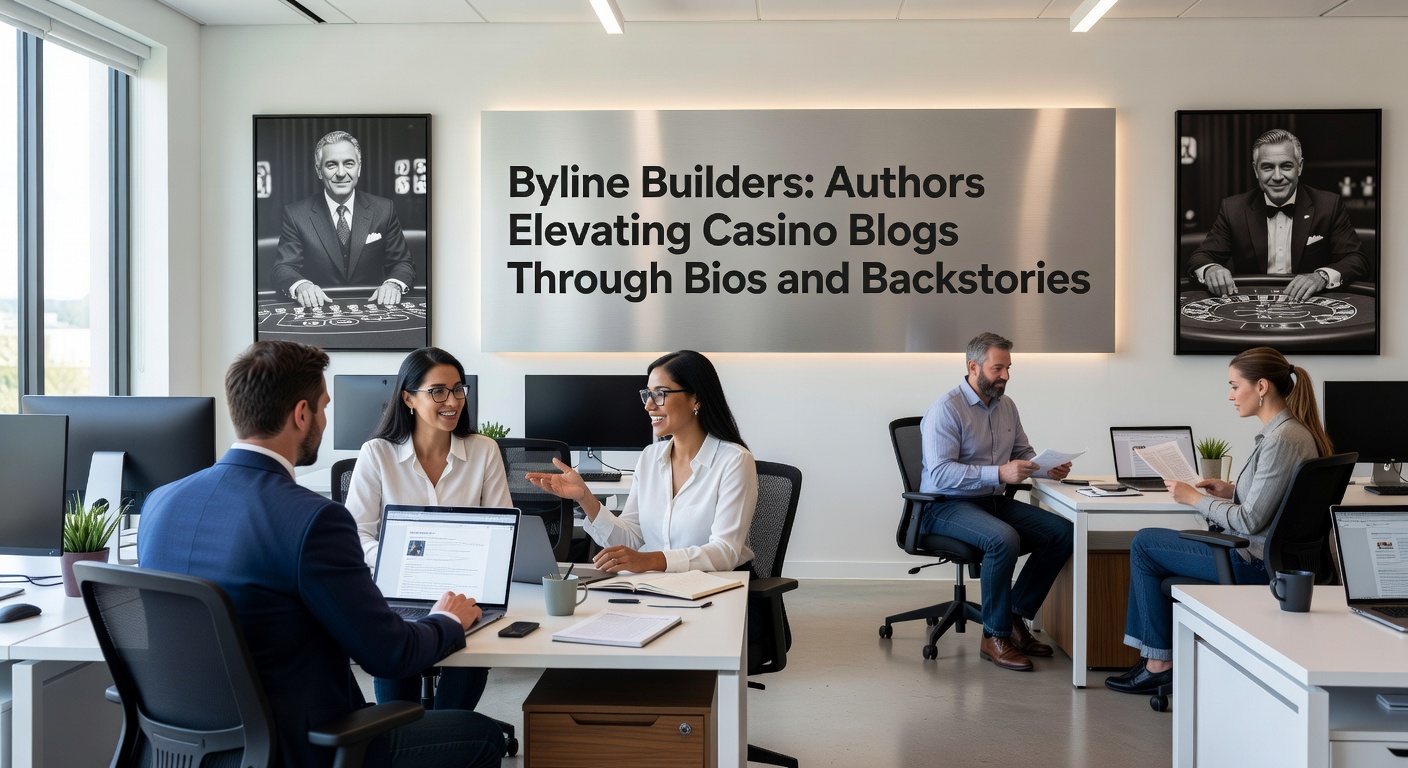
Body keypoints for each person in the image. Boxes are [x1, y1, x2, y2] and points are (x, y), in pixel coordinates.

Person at [137, 341, 503, 768]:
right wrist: (447, 619)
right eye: (324, 407)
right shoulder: (314, 520)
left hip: (189, 744)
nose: (327, 420)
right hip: (303, 743)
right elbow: (389, 653)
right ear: (301, 414)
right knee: (481, 735)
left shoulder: (159, 504)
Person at [1106, 346, 1332, 696]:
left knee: (1145, 543)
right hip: (1268, 558)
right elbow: (1270, 501)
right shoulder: (1290, 433)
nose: (1229, 396)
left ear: (1261, 387)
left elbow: (1251, 519)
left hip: (1253, 563)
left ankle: (1158, 664)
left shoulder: (1282, 439)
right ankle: (1156, 661)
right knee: (1154, 554)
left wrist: (1196, 498)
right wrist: (1229, 490)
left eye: (1233, 385)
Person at [344, 346, 511, 712]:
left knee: (469, 649)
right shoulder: (377, 454)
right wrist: (401, 561)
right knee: (396, 708)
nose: (452, 400)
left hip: (466, 590)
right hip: (397, 591)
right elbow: (355, 536)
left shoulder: (484, 451)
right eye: (438, 391)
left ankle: (450, 733)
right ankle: (400, 737)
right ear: (408, 398)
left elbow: (500, 528)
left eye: (458, 389)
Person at [919, 331, 1074, 672]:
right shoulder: (945, 410)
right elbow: (942, 475)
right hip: (944, 505)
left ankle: (1015, 617)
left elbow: (1022, 452)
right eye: (997, 368)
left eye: (1008, 368)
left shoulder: (1007, 407)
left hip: (990, 501)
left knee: (1063, 532)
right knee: (1003, 539)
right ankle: (994, 636)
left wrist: (1047, 468)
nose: (1005, 376)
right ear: (973, 367)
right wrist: (998, 474)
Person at [524, 350, 757, 575]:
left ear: (695, 398)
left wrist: (650, 560)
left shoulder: (734, 461)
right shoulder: (650, 457)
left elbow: (725, 552)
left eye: (660, 394)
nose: (648, 405)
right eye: (647, 394)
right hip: (654, 587)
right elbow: (631, 539)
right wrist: (584, 497)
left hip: (716, 588)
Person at [1186, 128, 1368, 302]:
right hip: (1252, 308)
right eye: (1267, 167)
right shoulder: (1233, 209)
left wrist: (1321, 276)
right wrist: (1211, 270)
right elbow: (1200, 257)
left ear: (1300, 167)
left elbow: (1356, 259)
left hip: (1310, 306)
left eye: (1286, 166)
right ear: (1256, 171)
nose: (1278, 176)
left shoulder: (1328, 205)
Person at [272, 130, 416, 308]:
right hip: (318, 310)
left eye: (349, 163)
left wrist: (393, 284)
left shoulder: (384, 209)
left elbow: (402, 263)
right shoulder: (295, 214)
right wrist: (302, 286)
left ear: (359, 168)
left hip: (373, 308)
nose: (341, 173)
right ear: (319, 170)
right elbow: (283, 268)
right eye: (331, 165)